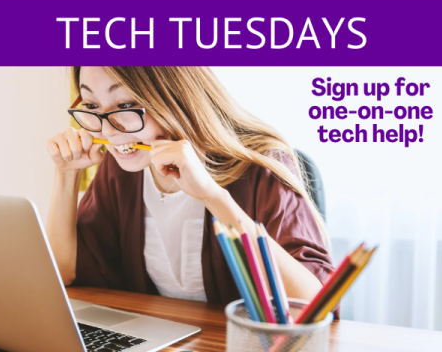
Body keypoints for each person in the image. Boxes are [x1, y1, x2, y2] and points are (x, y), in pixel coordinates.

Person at [46, 66, 334, 304]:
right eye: (92, 106)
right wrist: (66, 174)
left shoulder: (262, 165)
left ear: (176, 97)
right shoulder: (121, 168)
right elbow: (64, 271)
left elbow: (312, 304)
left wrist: (212, 196)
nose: (108, 130)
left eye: (126, 105)